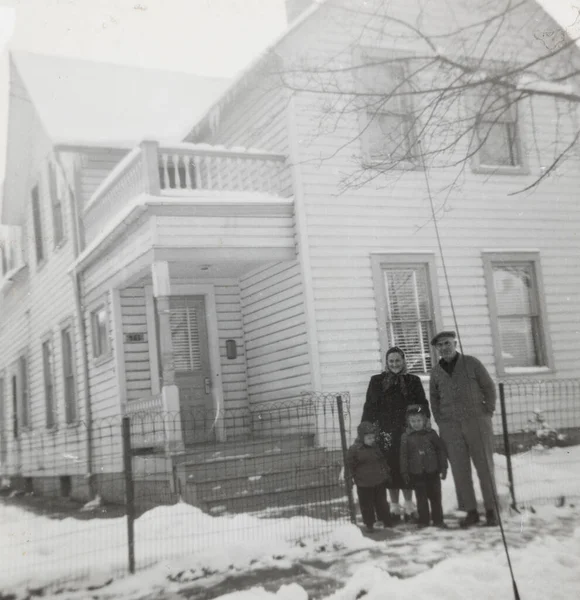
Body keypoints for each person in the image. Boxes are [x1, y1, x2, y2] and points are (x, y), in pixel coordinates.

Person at [429, 330, 499, 528]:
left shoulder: (472, 363)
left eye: (447, 343)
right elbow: (434, 399)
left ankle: (492, 510)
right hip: (450, 428)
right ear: (436, 349)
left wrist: (487, 410)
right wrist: (441, 421)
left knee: (485, 467)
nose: (444, 348)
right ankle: (471, 511)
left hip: (477, 423)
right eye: (440, 345)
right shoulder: (436, 372)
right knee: (460, 470)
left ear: (455, 343)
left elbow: (489, 387)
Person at [362, 347, 430, 523]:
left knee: (406, 468)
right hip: (385, 433)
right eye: (391, 361)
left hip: (407, 433)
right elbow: (369, 407)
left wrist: (422, 424)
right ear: (386, 362)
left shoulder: (413, 381)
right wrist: (366, 430)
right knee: (390, 469)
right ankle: (393, 507)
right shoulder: (377, 381)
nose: (394, 364)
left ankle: (408, 505)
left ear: (403, 361)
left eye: (398, 361)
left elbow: (422, 404)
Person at [400, 404, 448, 528]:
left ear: (425, 420)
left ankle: (438, 520)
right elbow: (403, 456)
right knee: (421, 498)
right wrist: (404, 472)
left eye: (419, 420)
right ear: (408, 422)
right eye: (413, 421)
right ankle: (423, 520)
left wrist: (443, 467)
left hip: (433, 471)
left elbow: (441, 451)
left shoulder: (431, 434)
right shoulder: (406, 437)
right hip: (417, 473)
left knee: (435, 497)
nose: (416, 424)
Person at [346, 421, 392, 532]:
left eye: (373, 437)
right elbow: (349, 466)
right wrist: (349, 479)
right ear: (361, 437)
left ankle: (386, 521)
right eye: (369, 438)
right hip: (363, 483)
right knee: (367, 505)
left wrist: (387, 473)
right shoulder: (354, 449)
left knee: (382, 503)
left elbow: (382, 461)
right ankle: (369, 523)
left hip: (378, 481)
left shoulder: (375, 447)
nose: (372, 440)